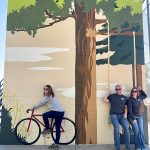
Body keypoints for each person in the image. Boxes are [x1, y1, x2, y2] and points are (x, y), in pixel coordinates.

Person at [31, 85, 65, 150]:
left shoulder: (48, 97)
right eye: (44, 89)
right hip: (58, 111)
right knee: (46, 116)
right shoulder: (49, 96)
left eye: (46, 89)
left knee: (56, 126)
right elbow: (42, 102)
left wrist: (33, 107)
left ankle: (48, 130)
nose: (45, 90)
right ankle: (49, 130)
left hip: (58, 112)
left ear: (49, 90)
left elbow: (41, 103)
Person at [103, 85, 130, 150]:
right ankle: (117, 147)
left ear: (121, 89)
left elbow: (126, 107)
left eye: (119, 89)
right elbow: (104, 100)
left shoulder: (124, 97)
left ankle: (127, 147)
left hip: (122, 115)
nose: (118, 90)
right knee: (116, 128)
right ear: (115, 90)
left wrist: (126, 113)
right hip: (114, 115)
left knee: (126, 128)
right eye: (116, 89)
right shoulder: (112, 96)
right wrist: (107, 93)